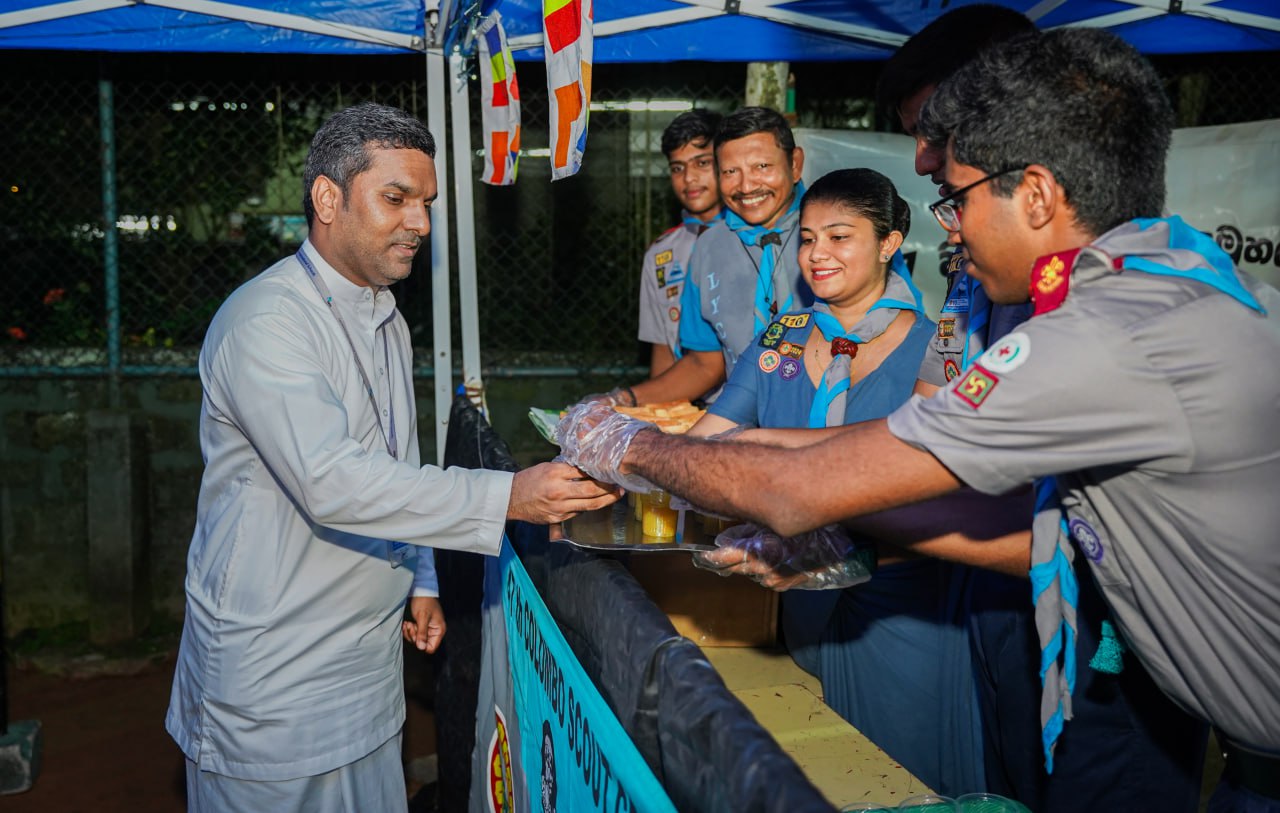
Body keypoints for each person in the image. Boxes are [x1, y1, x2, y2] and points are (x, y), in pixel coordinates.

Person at [557, 28, 1280, 811]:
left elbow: (804, 485)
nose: (954, 227)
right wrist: (835, 523)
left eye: (959, 198)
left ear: (1036, 193)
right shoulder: (1163, 278)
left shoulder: (1103, 337)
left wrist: (630, 445)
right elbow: (1041, 523)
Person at [166, 103, 618, 812]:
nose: (422, 224)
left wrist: (423, 574)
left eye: (427, 203)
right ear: (326, 198)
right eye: (396, 199)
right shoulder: (267, 321)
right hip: (274, 684)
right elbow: (332, 479)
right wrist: (506, 495)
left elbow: (396, 457)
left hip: (367, 672)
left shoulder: (383, 314)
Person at [876, 8, 1209, 811]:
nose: (922, 157)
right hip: (1000, 606)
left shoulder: (1125, 294)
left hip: (1105, 639)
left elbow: (1079, 532)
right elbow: (931, 413)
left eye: (935, 130)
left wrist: (827, 502)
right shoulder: (975, 268)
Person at [689, 169, 982, 794]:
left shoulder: (939, 354)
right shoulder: (781, 340)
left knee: (905, 779)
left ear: (890, 242)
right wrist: (623, 451)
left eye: (840, 237)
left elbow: (957, 492)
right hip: (802, 601)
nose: (818, 254)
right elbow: (707, 442)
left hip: (904, 605)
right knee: (820, 778)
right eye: (809, 237)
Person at [598, 106, 811, 408]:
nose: (747, 185)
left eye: (762, 166)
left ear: (795, 163)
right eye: (730, 172)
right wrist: (626, 401)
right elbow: (703, 361)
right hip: (733, 418)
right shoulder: (709, 247)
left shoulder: (836, 227)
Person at [638, 110, 723, 378]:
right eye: (678, 168)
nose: (689, 178)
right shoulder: (661, 253)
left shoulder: (753, 239)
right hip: (686, 402)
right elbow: (662, 348)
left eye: (702, 163)